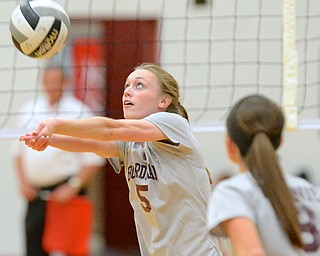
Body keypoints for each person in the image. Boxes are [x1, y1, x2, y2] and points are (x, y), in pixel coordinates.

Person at [20, 63, 221, 256]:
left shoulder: (174, 124)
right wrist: (48, 139)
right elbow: (92, 144)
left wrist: (56, 123)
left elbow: (110, 130)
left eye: (139, 85)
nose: (127, 91)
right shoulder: (132, 144)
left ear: (163, 101)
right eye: (126, 86)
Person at [207, 94, 320, 256]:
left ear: (230, 145)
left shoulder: (232, 191)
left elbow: (253, 253)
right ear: (281, 141)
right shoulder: (312, 191)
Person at [14, 65, 105, 256]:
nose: (52, 85)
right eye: (49, 80)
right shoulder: (29, 109)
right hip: (36, 195)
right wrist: (22, 183)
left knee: (71, 250)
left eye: (57, 81)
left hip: (67, 193)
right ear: (43, 82)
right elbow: (18, 153)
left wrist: (73, 186)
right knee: (34, 249)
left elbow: (94, 160)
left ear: (66, 82)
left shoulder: (79, 111)